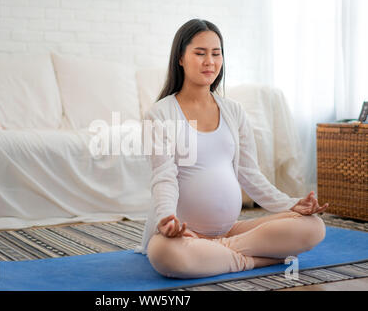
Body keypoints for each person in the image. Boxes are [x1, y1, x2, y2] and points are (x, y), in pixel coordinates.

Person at [133, 18, 329, 279]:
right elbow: (163, 177)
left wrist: (291, 204)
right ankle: (253, 260)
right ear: (180, 58)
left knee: (313, 226)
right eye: (200, 53)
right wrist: (167, 219)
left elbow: (250, 175)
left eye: (216, 54)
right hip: (183, 236)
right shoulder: (160, 114)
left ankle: (219, 253)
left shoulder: (233, 111)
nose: (210, 62)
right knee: (164, 254)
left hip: (231, 231)